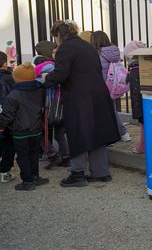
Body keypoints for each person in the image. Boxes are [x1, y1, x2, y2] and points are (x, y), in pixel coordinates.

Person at [45, 20, 120, 187]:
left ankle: (77, 173)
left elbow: (60, 74)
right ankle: (101, 172)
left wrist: (46, 79)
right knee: (97, 133)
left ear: (58, 35)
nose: (55, 41)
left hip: (80, 97)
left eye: (55, 37)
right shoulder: (87, 46)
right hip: (98, 94)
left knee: (78, 132)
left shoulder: (65, 48)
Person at [0, 63, 48, 191]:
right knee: (33, 153)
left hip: (19, 131)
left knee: (23, 156)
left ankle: (27, 181)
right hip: (36, 129)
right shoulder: (40, 90)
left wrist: (2, 126)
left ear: (16, 79)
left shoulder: (13, 95)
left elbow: (7, 115)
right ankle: (35, 176)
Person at [91, 31, 131, 142]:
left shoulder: (97, 55)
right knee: (112, 110)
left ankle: (111, 136)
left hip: (102, 87)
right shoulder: (114, 51)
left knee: (105, 112)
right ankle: (123, 133)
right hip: (113, 86)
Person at [124, 40, 146, 154]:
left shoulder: (134, 69)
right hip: (145, 103)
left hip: (140, 104)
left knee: (143, 125)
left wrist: (137, 111)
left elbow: (136, 92)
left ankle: (142, 146)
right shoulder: (143, 66)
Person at [0, 51, 16, 183]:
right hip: (7, 117)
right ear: (5, 63)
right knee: (9, 146)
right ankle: (4, 172)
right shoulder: (10, 77)